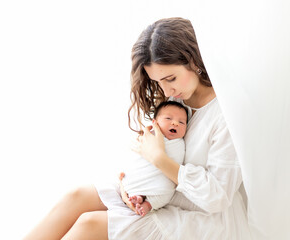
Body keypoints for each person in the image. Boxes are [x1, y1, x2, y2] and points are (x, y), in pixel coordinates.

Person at [23, 17, 251, 240]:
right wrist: (129, 185)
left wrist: (159, 159)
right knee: (76, 197)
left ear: (193, 61)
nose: (167, 90)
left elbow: (217, 197)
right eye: (158, 81)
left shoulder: (225, 113)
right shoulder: (177, 100)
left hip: (204, 217)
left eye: (170, 78)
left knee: (89, 224)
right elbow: (144, 153)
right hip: (156, 191)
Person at [123, 100, 188, 217]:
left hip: (163, 181)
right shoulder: (149, 135)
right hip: (144, 173)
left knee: (164, 192)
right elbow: (136, 153)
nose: (175, 123)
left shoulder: (180, 144)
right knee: (138, 179)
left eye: (182, 122)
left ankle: (147, 205)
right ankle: (138, 196)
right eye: (168, 119)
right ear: (155, 123)